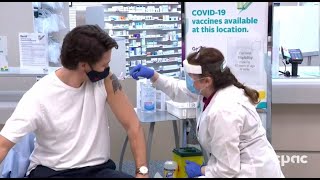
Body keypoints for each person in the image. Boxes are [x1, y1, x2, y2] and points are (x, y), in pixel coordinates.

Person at [0, 25, 149, 178]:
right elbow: (3, 144)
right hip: (53, 172)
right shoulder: (39, 95)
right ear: (83, 65)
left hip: (98, 170)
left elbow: (133, 125)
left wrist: (142, 172)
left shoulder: (105, 80)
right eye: (104, 65)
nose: (107, 68)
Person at [130, 46, 284, 178]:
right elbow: (179, 89)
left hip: (251, 172)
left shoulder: (224, 111)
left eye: (191, 77)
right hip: (236, 167)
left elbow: (227, 169)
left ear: (207, 81)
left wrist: (202, 170)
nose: (188, 80)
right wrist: (153, 76)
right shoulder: (213, 90)